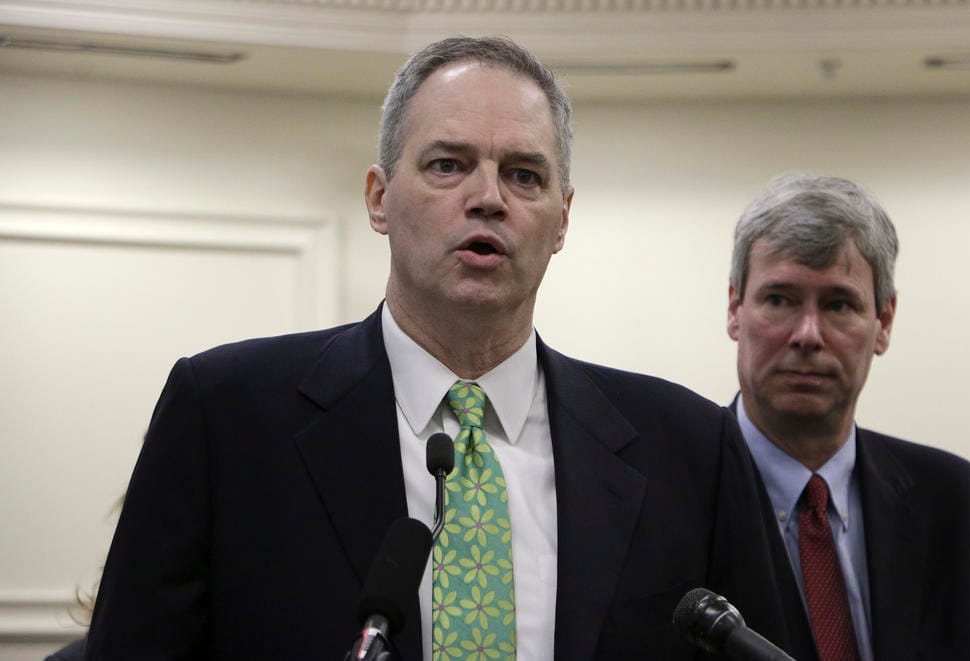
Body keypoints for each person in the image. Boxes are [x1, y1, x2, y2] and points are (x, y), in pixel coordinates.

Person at [85, 36, 782, 660]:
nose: (488, 197)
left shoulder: (688, 449)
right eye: (449, 165)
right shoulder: (226, 416)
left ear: (562, 219)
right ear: (379, 199)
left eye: (524, 175)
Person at [726, 173, 970, 660]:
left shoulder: (963, 507)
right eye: (780, 299)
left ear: (883, 323)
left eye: (838, 304)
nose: (808, 334)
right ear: (735, 309)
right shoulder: (668, 496)